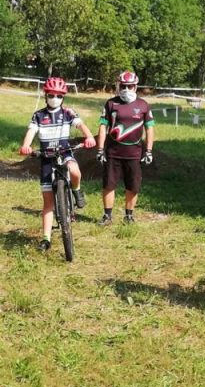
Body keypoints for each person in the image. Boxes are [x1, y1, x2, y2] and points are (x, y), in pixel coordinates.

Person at [18, 76, 96, 252]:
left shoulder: (68, 113)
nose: (55, 99)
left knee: (75, 171)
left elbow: (80, 125)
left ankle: (76, 191)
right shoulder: (38, 115)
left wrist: (89, 137)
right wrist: (26, 145)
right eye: (52, 95)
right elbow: (31, 131)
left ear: (63, 97)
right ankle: (46, 238)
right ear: (46, 95)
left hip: (64, 152)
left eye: (59, 96)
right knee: (47, 202)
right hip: (46, 157)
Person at [96, 70, 155, 225]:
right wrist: (100, 149)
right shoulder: (110, 103)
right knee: (109, 185)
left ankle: (129, 216)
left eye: (130, 86)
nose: (126, 89)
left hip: (134, 153)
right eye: (123, 86)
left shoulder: (143, 105)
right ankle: (107, 216)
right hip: (113, 152)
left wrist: (148, 151)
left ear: (135, 87)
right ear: (118, 85)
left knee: (133, 186)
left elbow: (150, 129)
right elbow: (103, 127)